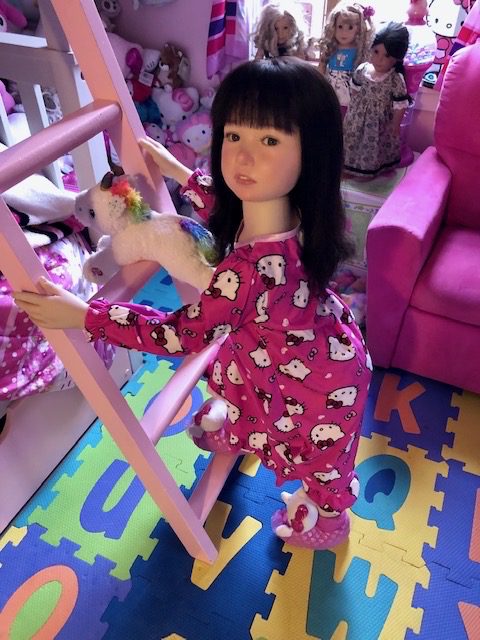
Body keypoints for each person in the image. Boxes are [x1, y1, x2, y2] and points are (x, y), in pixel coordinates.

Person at [14, 57, 372, 551]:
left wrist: (87, 315)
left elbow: (178, 334)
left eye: (270, 141)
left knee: (319, 455)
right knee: (240, 369)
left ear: (310, 152)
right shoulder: (287, 211)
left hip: (317, 384)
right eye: (234, 136)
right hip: (310, 345)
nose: (243, 157)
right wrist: (182, 173)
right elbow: (231, 214)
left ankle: (329, 519)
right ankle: (243, 429)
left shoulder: (248, 273)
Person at [343, 22, 411, 177]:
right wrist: (354, 111)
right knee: (353, 140)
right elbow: (354, 90)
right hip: (356, 118)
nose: (379, 59)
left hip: (380, 122)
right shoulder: (362, 70)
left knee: (374, 146)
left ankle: (371, 170)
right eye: (376, 52)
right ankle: (351, 166)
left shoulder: (395, 79)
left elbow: (400, 105)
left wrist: (395, 124)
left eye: (386, 56)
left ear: (396, 58)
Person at [318, 2, 375, 116]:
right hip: (330, 92)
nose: (344, 32)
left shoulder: (359, 51)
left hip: (350, 95)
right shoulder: (331, 47)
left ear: (359, 29)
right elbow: (321, 68)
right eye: (340, 27)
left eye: (350, 28)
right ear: (333, 26)